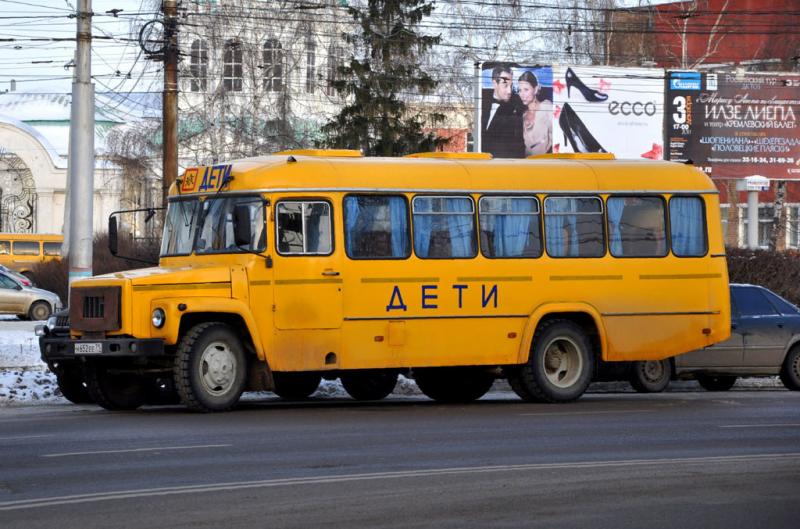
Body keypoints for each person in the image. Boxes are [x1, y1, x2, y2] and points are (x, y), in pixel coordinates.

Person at [481, 64, 525, 158]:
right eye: (505, 85)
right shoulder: (481, 99)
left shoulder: (517, 105)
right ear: (494, 83)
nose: (509, 91)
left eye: (511, 86)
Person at [518, 70, 553, 156]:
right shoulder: (523, 115)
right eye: (520, 90)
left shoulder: (546, 107)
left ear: (535, 89)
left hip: (546, 162)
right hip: (528, 164)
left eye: (526, 89)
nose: (522, 94)